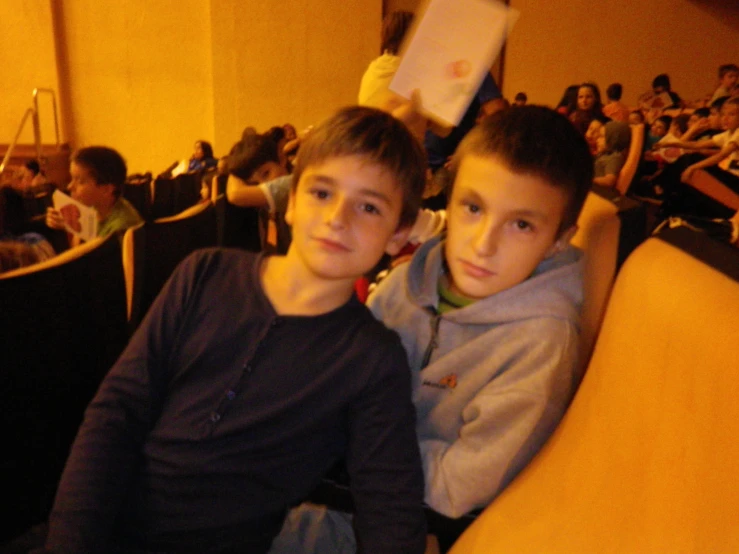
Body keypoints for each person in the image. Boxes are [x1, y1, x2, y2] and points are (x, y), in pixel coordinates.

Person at [37, 106, 428, 554]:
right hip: (99, 528)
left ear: (398, 235)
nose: (339, 217)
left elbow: (390, 508)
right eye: (322, 193)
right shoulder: (204, 274)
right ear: (291, 201)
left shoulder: (372, 360)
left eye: (369, 206)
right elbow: (116, 413)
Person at [269, 106, 593, 554]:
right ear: (448, 200)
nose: (484, 245)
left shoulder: (540, 344)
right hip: (327, 481)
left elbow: (456, 486)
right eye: (473, 208)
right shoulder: (407, 282)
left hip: (394, 520)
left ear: (560, 237)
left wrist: (355, 448)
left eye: (521, 224)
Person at [45, 146, 143, 245]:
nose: (70, 186)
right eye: (72, 178)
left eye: (80, 181)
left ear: (106, 189)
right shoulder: (95, 209)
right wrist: (68, 225)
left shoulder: (121, 228)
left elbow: (85, 256)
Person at [593, 121, 631, 188]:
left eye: (601, 137)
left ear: (613, 139)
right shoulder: (606, 153)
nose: (597, 140)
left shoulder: (614, 157)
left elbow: (609, 181)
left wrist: (588, 180)